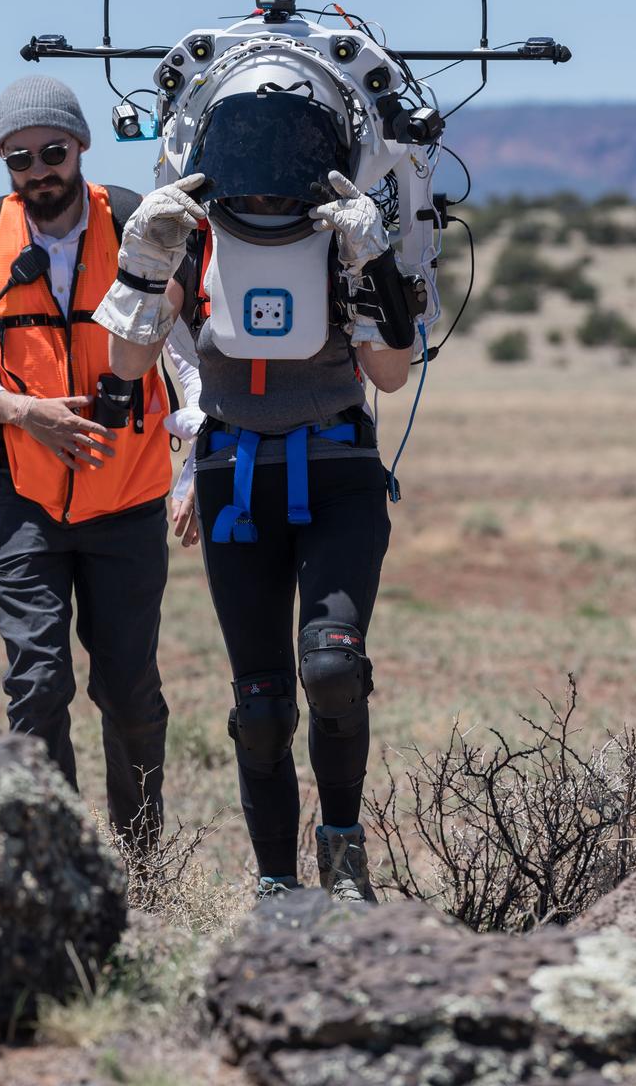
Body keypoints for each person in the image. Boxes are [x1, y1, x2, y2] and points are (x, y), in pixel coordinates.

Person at [93, 66, 416, 900]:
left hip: (337, 464)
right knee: (263, 702)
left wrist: (373, 262)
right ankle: (277, 887)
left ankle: (343, 855)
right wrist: (140, 264)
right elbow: (126, 364)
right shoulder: (195, 240)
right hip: (236, 472)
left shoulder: (350, 233)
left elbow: (389, 373)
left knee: (334, 667)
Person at [0, 74, 177, 840]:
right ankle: (58, 858)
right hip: (19, 497)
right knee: (37, 684)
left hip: (127, 498)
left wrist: (195, 461)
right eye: (18, 158)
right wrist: (21, 409)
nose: (37, 171)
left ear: (81, 147)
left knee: (128, 690)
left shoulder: (134, 222)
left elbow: (190, 357)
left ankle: (144, 861)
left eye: (52, 151)